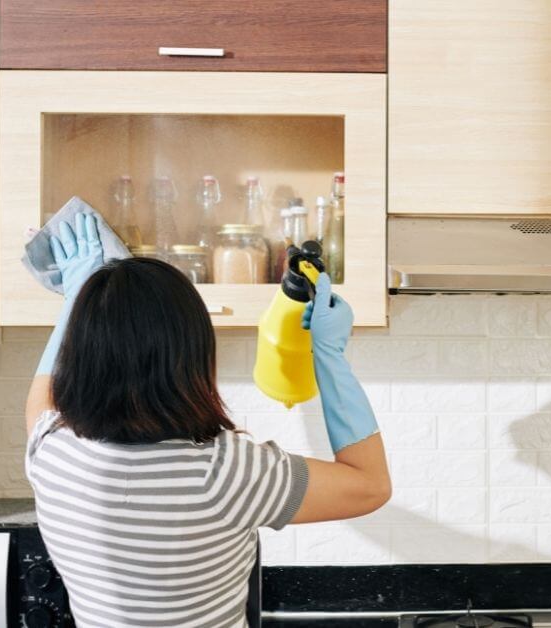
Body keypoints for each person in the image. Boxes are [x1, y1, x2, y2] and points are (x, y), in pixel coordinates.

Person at [23, 213, 390, 627]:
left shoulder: (52, 454)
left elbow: (42, 398)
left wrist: (80, 294)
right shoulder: (224, 472)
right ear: (192, 356)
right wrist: (330, 355)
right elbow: (369, 486)